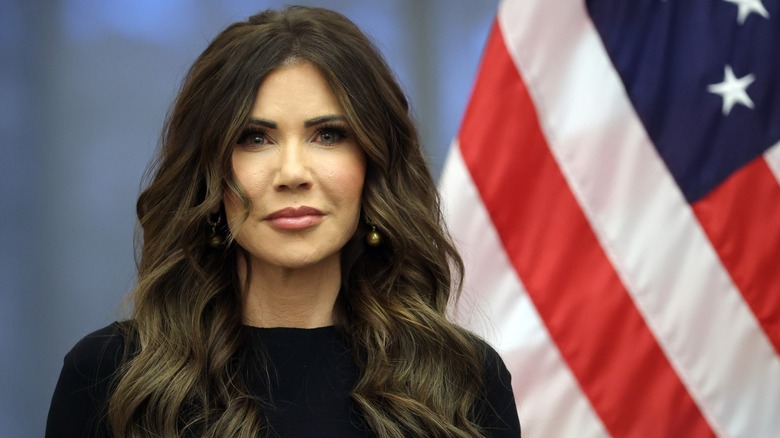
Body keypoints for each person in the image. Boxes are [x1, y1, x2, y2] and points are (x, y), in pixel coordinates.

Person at [46, 5, 521, 437]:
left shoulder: (464, 380)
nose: (293, 173)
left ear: (373, 165)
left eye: (328, 135)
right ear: (209, 173)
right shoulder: (110, 377)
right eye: (255, 138)